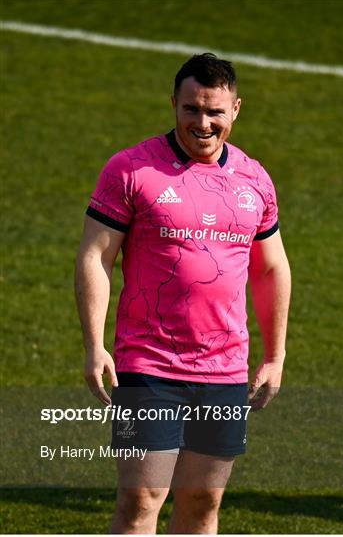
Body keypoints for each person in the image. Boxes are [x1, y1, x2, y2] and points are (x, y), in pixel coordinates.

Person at [75, 53, 291, 534]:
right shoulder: (130, 170)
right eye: (191, 109)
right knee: (140, 501)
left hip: (225, 370)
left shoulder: (255, 180)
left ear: (236, 109)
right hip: (148, 364)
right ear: (173, 104)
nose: (203, 123)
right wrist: (94, 345)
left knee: (202, 505)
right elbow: (96, 257)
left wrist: (275, 357)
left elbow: (272, 268)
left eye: (214, 111)